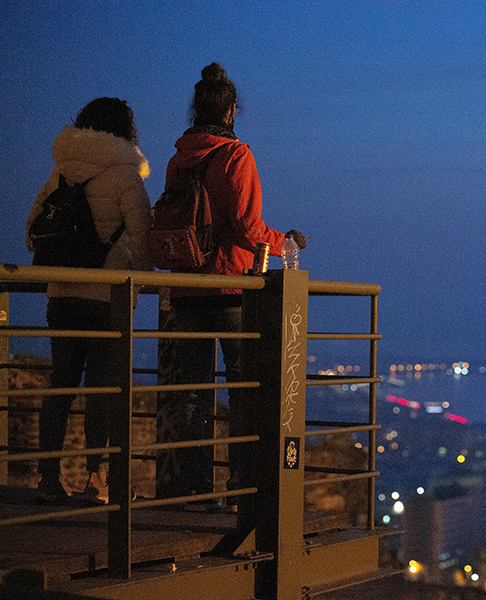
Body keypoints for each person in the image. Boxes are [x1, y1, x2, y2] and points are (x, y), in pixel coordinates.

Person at [159, 63, 306, 511]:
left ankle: (199, 489)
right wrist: (286, 243)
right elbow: (246, 226)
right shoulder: (236, 156)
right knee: (245, 389)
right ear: (231, 111)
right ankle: (243, 488)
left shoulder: (177, 160)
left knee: (193, 393)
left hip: (185, 288)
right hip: (229, 288)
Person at [25, 97, 153, 503]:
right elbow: (144, 244)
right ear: (126, 132)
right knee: (103, 388)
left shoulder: (61, 172)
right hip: (106, 299)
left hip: (61, 294)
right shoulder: (127, 177)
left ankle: (47, 477)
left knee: (61, 383)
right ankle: (98, 480)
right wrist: (137, 277)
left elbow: (32, 230)